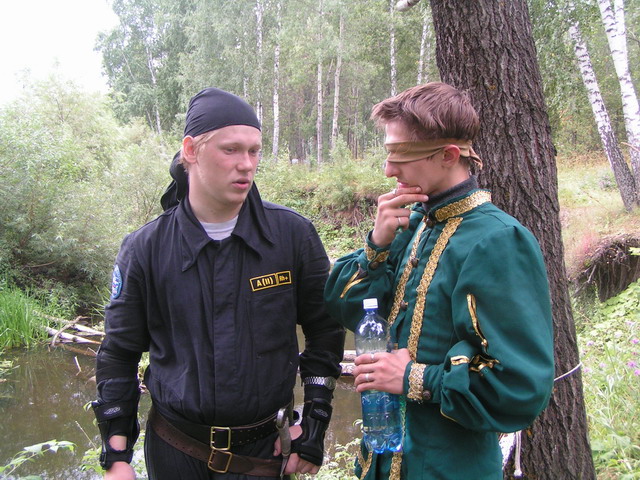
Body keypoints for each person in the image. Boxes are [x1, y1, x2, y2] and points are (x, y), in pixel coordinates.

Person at [92, 87, 345, 480]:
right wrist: (117, 454)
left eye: (254, 151)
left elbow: (325, 332)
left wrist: (313, 424)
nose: (246, 164)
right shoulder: (146, 248)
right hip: (175, 451)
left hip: (263, 455)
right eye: (231, 150)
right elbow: (118, 353)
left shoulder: (292, 236)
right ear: (191, 151)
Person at [323, 82, 555, 480]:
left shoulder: (498, 241)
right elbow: (348, 308)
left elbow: (520, 388)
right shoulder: (414, 224)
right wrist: (377, 245)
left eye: (401, 156)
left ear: (448, 155)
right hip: (380, 463)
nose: (388, 170)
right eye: (388, 154)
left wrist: (414, 378)